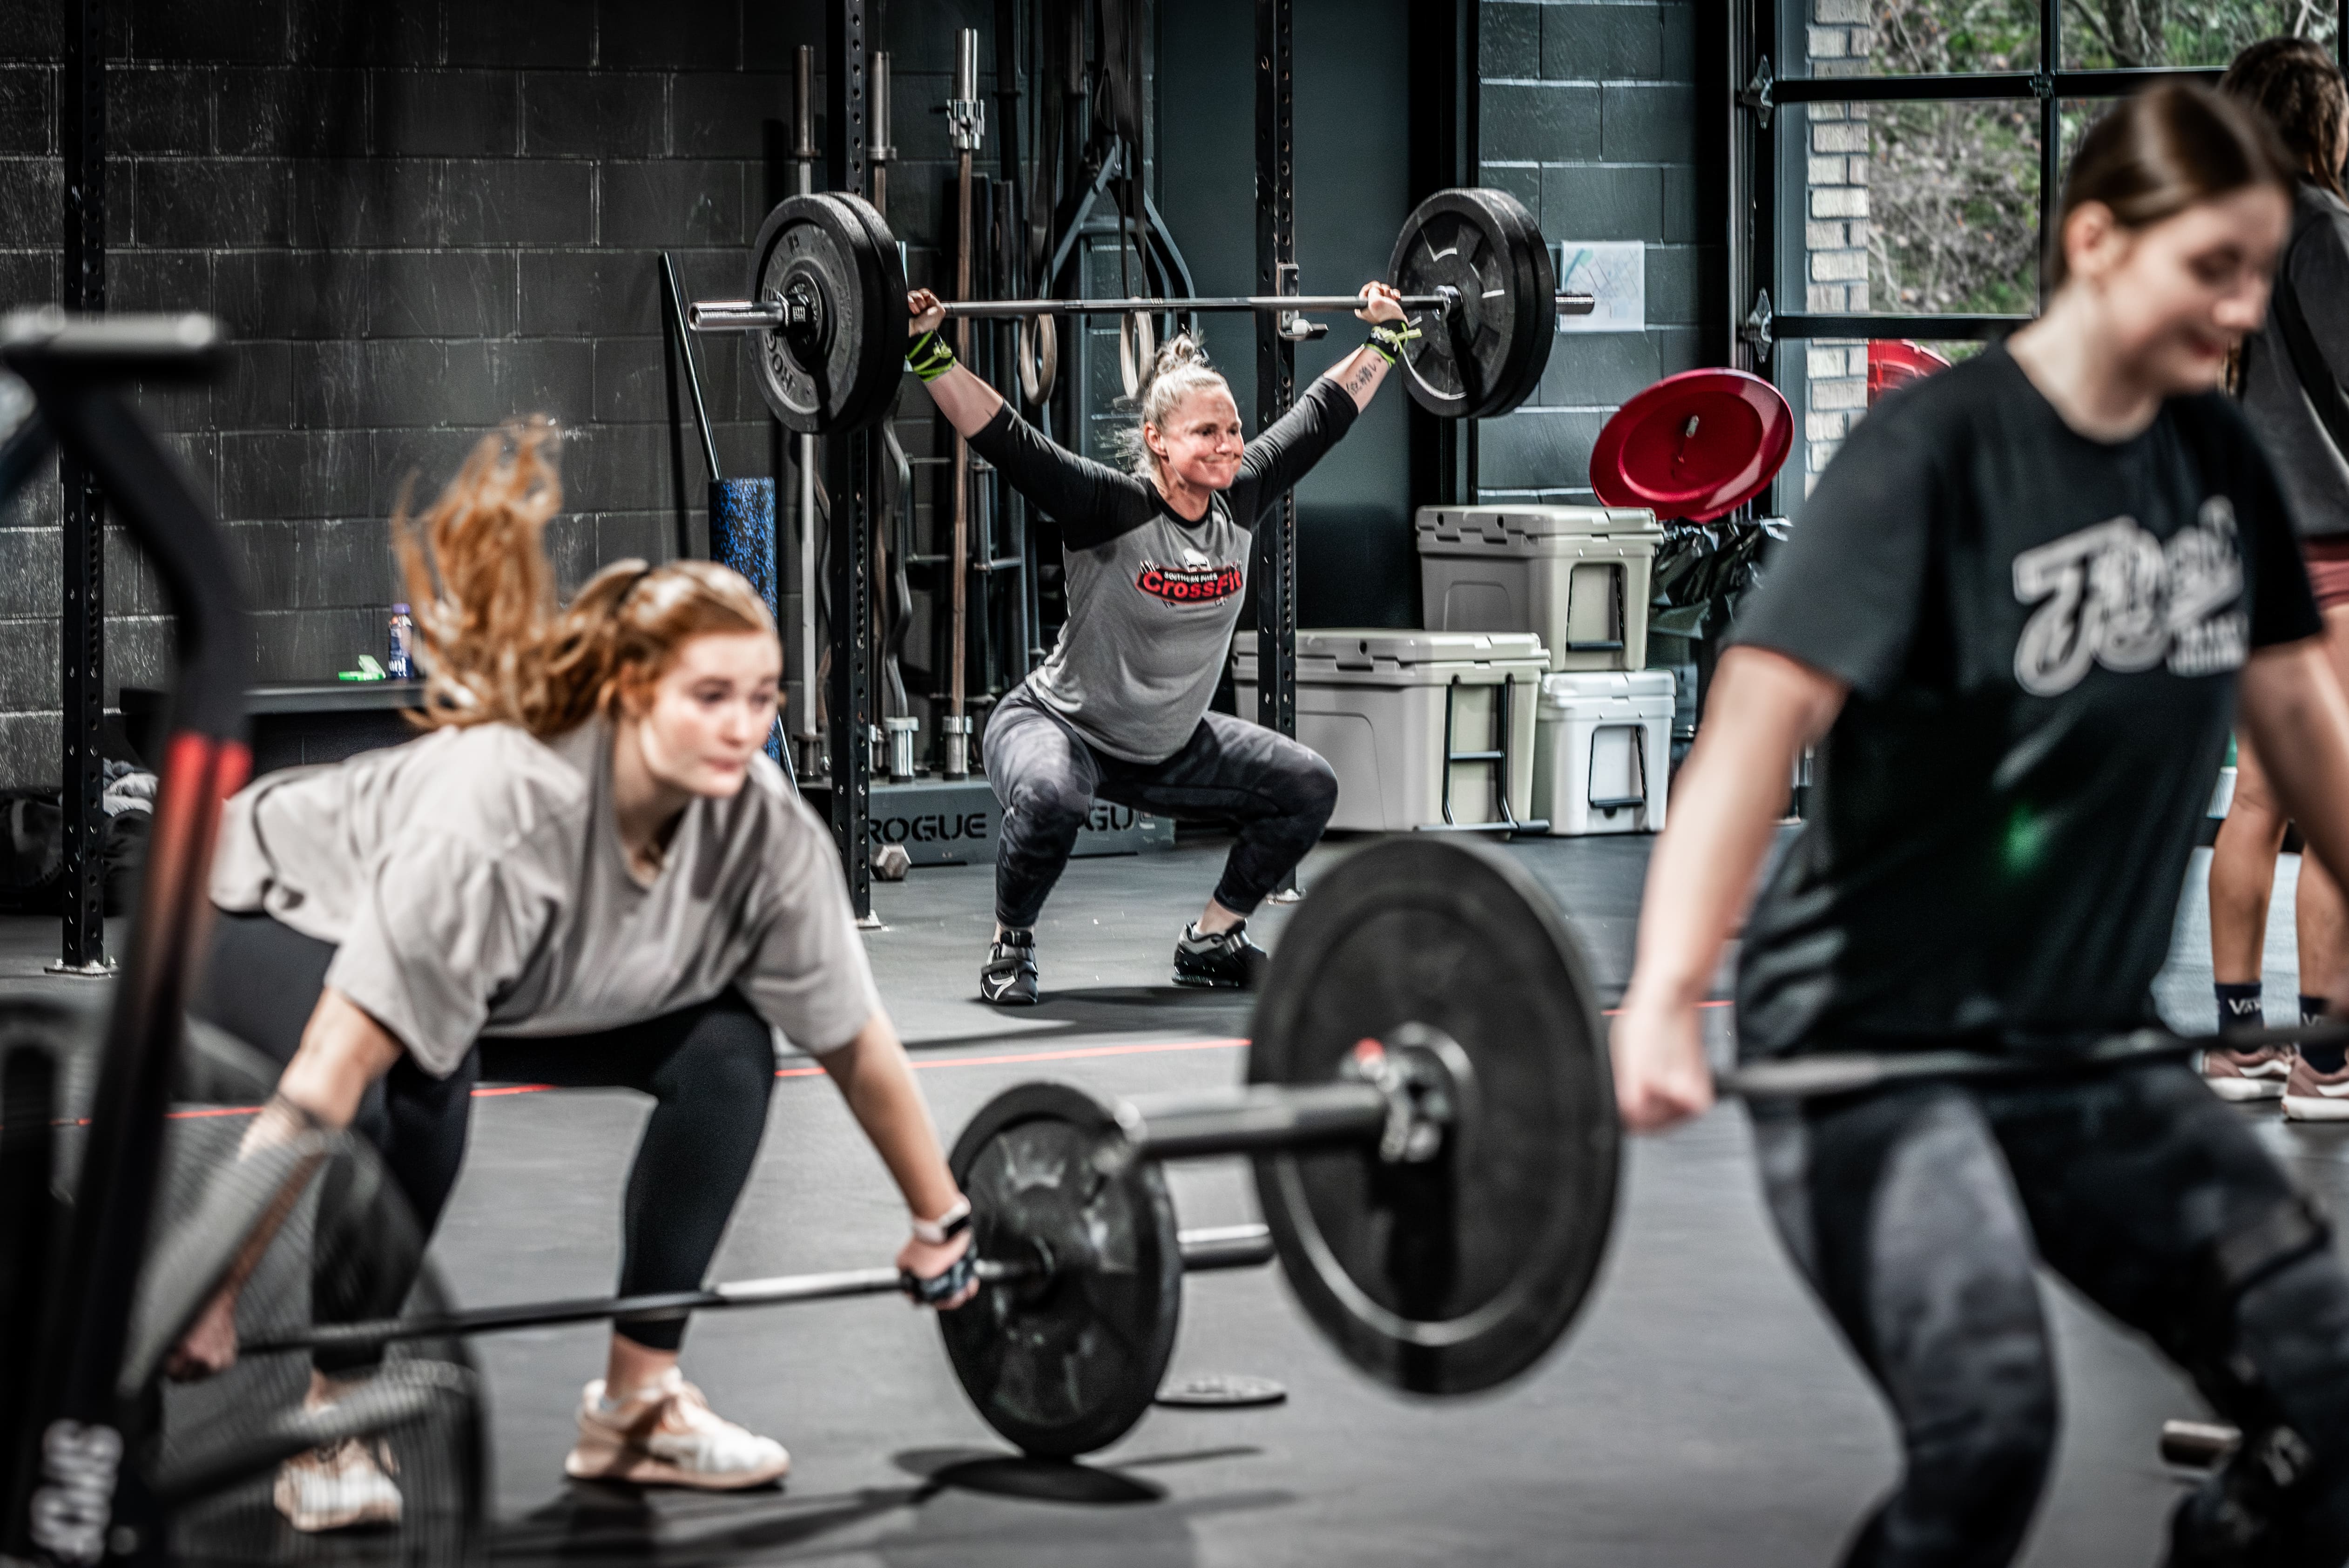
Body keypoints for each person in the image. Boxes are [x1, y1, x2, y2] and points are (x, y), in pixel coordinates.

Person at [1612, 82, 2349, 1565]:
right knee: (1988, 1427)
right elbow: (1753, 724)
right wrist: (1664, 992)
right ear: (2094, 241)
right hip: (1876, 1050)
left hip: (2081, 1045)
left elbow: (2301, 731)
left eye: (2256, 271)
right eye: (2210, 268)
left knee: (2327, 1390)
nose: (2241, 308)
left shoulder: (2217, 467)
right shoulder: (1932, 452)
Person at [176, 421, 977, 1531]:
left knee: (727, 1051)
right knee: (419, 1078)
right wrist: (212, 1281)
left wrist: (944, 1219)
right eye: (710, 696)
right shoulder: (507, 814)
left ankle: (637, 1405)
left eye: (762, 698)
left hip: (505, 974)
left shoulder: (765, 829)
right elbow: (325, 1079)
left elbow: (854, 1041)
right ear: (630, 691)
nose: (743, 727)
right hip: (268, 901)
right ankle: (335, 1419)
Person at [904, 284, 1413, 1005]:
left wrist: (1386, 339)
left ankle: (1211, 940)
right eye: (1206, 432)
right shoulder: (1106, 506)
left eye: (1233, 429)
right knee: (1051, 799)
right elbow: (1005, 437)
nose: (1228, 444)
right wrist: (927, 350)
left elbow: (1322, 415)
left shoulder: (1242, 494)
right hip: (1060, 726)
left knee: (1306, 786)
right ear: (1157, 440)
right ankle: (1009, 944)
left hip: (1166, 746)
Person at [2201, 38, 2349, 1119]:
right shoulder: (2319, 229)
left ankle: (2240, 1040)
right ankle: (2328, 1063)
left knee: (2258, 796)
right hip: (2330, 551)